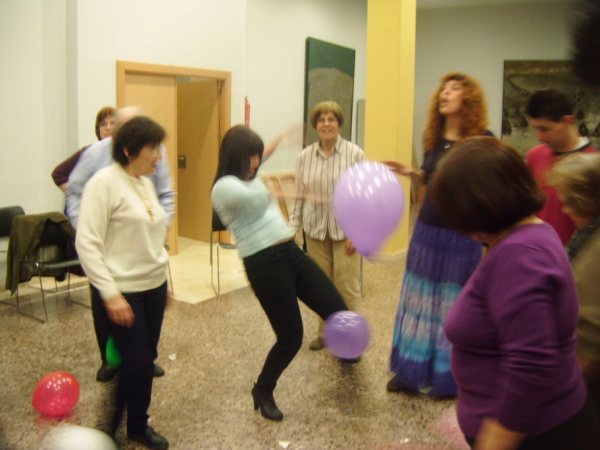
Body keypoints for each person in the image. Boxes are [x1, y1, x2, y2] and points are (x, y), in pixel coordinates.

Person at [429, 136, 599, 449]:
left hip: (540, 435)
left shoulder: (519, 255)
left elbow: (531, 364)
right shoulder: (533, 233)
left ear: (480, 206)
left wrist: (495, 441)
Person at [211, 125, 348, 422]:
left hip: (291, 253)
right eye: (252, 156)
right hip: (264, 264)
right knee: (291, 336)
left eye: (258, 156)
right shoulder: (223, 187)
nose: (257, 162)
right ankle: (263, 389)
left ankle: (348, 350)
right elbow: (259, 197)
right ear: (237, 156)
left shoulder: (249, 176)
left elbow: (264, 161)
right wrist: (297, 192)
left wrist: (282, 138)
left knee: (335, 307)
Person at [384, 72, 489, 397]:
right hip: (427, 233)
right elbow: (432, 178)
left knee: (452, 306)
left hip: (462, 237)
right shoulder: (433, 138)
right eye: (443, 88)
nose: (445, 93)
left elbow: (488, 187)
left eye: (454, 89)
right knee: (419, 301)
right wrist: (412, 173)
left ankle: (448, 376)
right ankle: (410, 371)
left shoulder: (482, 140)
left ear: (468, 99)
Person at [76, 116, 170, 450]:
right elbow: (87, 243)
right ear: (129, 150)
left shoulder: (144, 183)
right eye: (153, 149)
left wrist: (164, 282)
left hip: (153, 287)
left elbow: (153, 238)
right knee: (137, 363)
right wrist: (111, 294)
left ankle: (137, 427)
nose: (159, 156)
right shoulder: (103, 183)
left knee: (143, 362)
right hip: (122, 291)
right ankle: (109, 430)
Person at [289, 101, 364, 352]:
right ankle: (325, 333)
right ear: (315, 125)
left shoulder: (354, 154)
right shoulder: (305, 157)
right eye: (321, 119)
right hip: (315, 229)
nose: (326, 124)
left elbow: (362, 195)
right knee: (321, 286)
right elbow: (299, 194)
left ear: (339, 124)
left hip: (347, 231)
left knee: (347, 286)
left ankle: (351, 338)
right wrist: (293, 227)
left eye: (331, 119)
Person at [549, 152, 600, 423]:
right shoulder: (586, 233)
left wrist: (556, 397)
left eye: (569, 203)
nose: (566, 210)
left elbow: (591, 340)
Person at [525, 88, 597, 244]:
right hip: (538, 250)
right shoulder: (534, 156)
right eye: (535, 128)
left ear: (568, 121)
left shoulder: (594, 164)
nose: (539, 136)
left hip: (578, 253)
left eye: (544, 129)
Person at [51, 106, 116, 192]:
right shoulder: (89, 152)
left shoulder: (125, 153)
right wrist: (78, 195)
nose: (108, 128)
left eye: (112, 123)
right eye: (103, 124)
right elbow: (58, 174)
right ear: (98, 130)